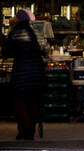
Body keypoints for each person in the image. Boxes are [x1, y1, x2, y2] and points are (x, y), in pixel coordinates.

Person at [3, 9, 49, 140]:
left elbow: (6, 53)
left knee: (20, 103)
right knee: (33, 104)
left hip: (20, 73)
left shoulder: (15, 33)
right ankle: (30, 132)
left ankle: (23, 130)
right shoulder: (37, 33)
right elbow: (46, 50)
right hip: (36, 74)